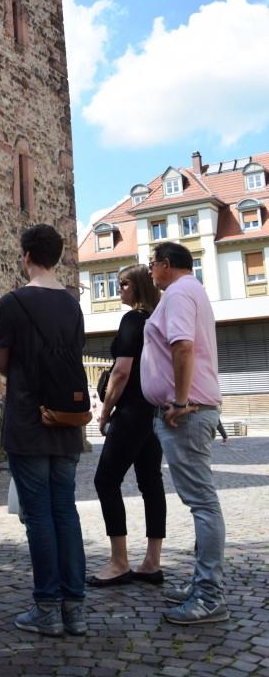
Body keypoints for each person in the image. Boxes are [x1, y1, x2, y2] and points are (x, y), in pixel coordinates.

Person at [0, 224, 87, 638]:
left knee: (39, 516)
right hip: (66, 421)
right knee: (65, 510)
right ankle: (75, 609)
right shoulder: (72, 305)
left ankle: (47, 606)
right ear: (59, 257)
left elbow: (0, 362)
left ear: (27, 255)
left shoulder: (12, 303)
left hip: (29, 419)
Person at [141, 241, 228, 625]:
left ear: (165, 264)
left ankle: (209, 595)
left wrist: (178, 401)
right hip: (192, 409)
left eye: (151, 264)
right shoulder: (193, 290)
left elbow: (183, 349)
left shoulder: (178, 293)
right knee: (202, 503)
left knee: (203, 504)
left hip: (186, 413)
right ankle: (201, 584)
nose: (149, 272)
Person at [89, 264, 166, 586]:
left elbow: (121, 371)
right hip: (152, 410)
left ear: (136, 288)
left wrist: (105, 412)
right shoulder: (158, 319)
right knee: (151, 482)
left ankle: (119, 562)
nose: (118, 290)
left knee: (106, 480)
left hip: (132, 411)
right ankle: (151, 562)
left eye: (123, 285)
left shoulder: (133, 319)